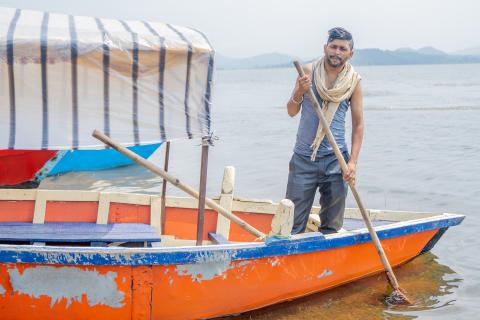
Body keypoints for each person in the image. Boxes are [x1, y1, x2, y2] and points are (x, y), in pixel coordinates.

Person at [286, 27, 364, 234]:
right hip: (304, 159)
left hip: (336, 161)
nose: (336, 52)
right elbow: (291, 111)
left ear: (350, 53)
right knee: (292, 225)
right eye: (333, 46)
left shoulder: (353, 81)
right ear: (325, 47)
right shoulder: (308, 72)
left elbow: (358, 125)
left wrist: (352, 163)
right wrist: (299, 91)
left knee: (331, 227)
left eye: (342, 48)